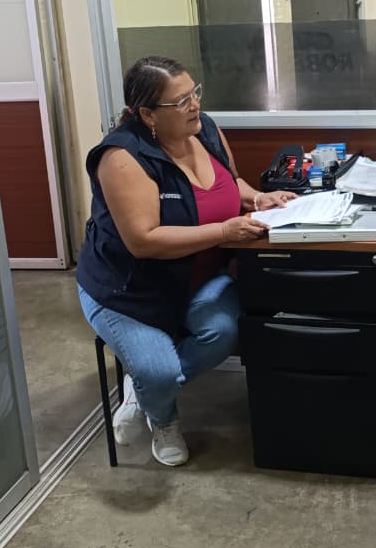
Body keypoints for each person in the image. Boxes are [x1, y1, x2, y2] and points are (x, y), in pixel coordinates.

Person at [76, 56, 295, 467]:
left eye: (194, 93)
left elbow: (229, 183)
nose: (194, 104)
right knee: (158, 372)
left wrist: (257, 198)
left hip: (198, 278)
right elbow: (144, 241)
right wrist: (224, 232)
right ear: (147, 114)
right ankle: (162, 416)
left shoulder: (204, 129)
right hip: (129, 289)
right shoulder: (122, 157)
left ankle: (140, 391)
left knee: (222, 333)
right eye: (181, 101)